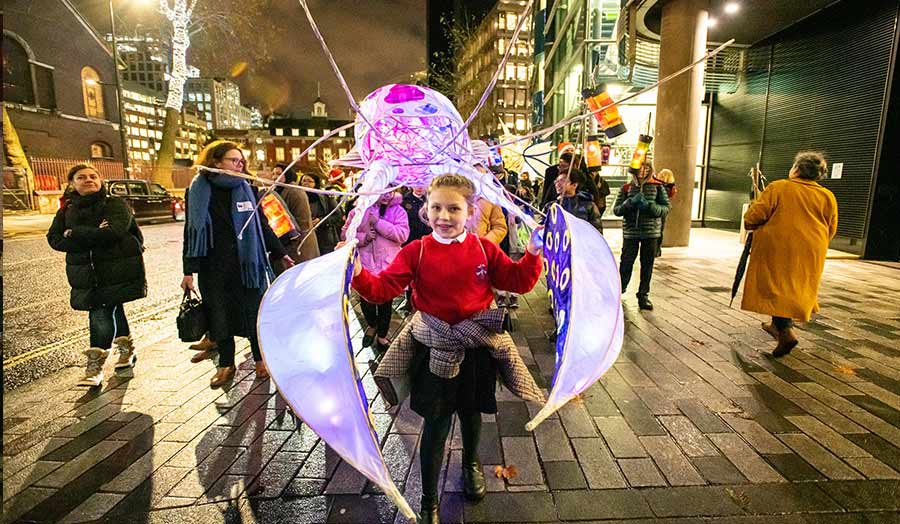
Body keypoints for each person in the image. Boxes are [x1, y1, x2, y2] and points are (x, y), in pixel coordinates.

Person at [348, 174, 544, 524]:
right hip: (433, 350)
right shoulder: (417, 250)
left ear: (470, 211)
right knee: (436, 425)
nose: (444, 216)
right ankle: (428, 498)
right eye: (436, 207)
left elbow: (517, 280)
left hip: (475, 349)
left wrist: (532, 253)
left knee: (472, 414)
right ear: (426, 209)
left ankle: (471, 465)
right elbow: (381, 290)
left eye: (453, 208)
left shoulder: (485, 248)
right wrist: (358, 269)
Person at [181, 141, 292, 386]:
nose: (240, 164)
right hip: (214, 265)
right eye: (234, 160)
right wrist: (188, 270)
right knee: (219, 314)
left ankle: (261, 360)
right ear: (216, 162)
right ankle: (225, 364)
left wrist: (280, 252)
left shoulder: (247, 189)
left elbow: (262, 225)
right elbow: (192, 231)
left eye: (241, 161)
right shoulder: (197, 190)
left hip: (247, 265)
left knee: (254, 312)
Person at [47, 164, 146, 387]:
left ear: (101, 181)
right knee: (113, 306)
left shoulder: (115, 204)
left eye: (93, 176)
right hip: (85, 272)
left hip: (117, 270)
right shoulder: (66, 210)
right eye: (81, 177)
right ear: (72, 183)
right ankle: (126, 350)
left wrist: (74, 233)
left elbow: (115, 232)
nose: (88, 180)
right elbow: (54, 239)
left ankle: (95, 366)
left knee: (100, 310)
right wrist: (95, 233)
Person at [742, 151, 838, 357]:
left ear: (796, 169)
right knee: (793, 287)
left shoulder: (779, 187)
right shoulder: (827, 196)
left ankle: (785, 331)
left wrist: (750, 216)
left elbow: (754, 216)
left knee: (778, 286)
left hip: (779, 248)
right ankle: (778, 325)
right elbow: (832, 227)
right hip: (812, 250)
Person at [341, 190, 410, 355]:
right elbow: (345, 233)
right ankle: (372, 325)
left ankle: (382, 335)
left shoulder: (398, 211)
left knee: (386, 303)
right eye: (382, 189)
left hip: (388, 265)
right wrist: (363, 237)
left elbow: (402, 235)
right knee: (366, 300)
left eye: (390, 189)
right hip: (365, 264)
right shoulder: (358, 210)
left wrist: (379, 223)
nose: (387, 194)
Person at [613, 161, 670, 311]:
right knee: (626, 262)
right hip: (631, 232)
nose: (643, 171)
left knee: (647, 264)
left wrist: (650, 206)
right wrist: (630, 203)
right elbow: (617, 210)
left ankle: (643, 294)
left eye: (647, 168)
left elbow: (665, 208)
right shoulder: (626, 188)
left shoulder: (658, 187)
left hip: (650, 233)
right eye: (641, 168)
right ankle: (620, 289)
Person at [270, 163, 320, 269]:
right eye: (273, 174)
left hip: (299, 244)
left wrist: (294, 242)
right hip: (289, 241)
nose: (274, 177)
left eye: (279, 173)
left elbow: (303, 222)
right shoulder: (279, 190)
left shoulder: (295, 191)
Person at [401, 185, 432, 313]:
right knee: (411, 272)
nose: (419, 188)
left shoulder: (430, 200)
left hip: (427, 242)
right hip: (410, 241)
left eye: (421, 184)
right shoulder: (405, 200)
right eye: (416, 184)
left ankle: (424, 299)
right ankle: (409, 300)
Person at [300, 173, 342, 254]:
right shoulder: (298, 198)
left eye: (310, 181)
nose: (306, 183)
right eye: (304, 181)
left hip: (324, 237)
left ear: (316, 183)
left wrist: (320, 220)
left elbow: (337, 216)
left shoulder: (325, 197)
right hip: (305, 238)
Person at [652, 168, 677, 257]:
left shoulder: (657, 185)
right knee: (660, 230)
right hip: (663, 210)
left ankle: (654, 249)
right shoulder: (671, 187)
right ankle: (658, 250)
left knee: (654, 229)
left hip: (655, 209)